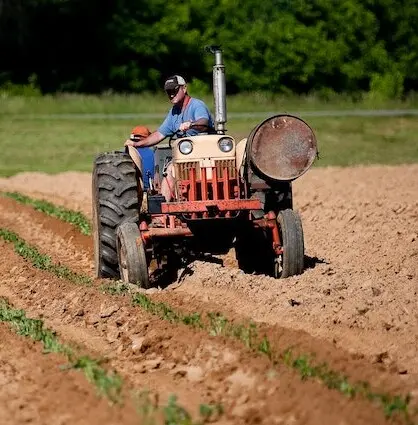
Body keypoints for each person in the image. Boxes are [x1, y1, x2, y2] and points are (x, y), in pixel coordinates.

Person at [124, 75, 214, 201]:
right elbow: (158, 135)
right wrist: (136, 144)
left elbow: (204, 123)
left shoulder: (197, 105)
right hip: (184, 158)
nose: (171, 95)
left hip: (206, 155)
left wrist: (191, 124)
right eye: (168, 92)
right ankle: (163, 210)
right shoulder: (174, 112)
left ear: (185, 88)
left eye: (174, 90)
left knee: (173, 168)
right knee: (170, 171)